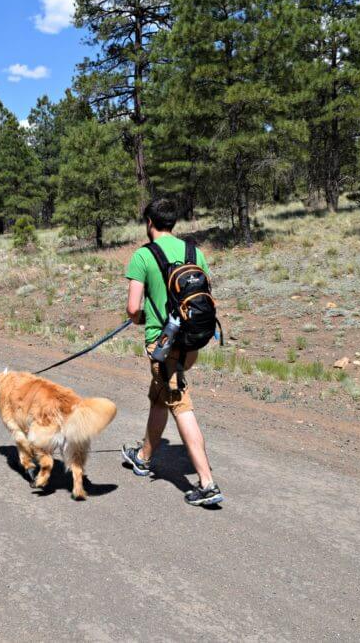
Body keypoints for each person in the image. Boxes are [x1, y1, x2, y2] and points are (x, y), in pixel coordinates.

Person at [121, 199, 224, 507]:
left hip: (164, 345)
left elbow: (132, 309)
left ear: (149, 223)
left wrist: (141, 319)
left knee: (179, 403)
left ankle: (206, 483)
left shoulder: (143, 255)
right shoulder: (194, 252)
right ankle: (143, 457)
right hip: (192, 342)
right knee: (158, 397)